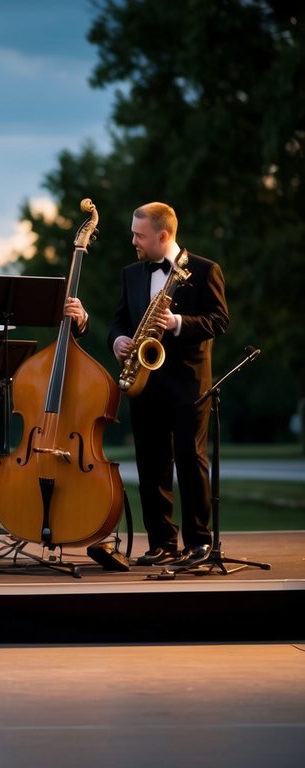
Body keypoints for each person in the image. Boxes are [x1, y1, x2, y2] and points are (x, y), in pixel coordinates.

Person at [108, 202, 228, 566]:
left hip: (189, 383)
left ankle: (198, 542)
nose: (133, 241)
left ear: (163, 236)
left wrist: (176, 323)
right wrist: (118, 341)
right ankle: (162, 543)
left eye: (139, 235)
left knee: (191, 461)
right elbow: (118, 321)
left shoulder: (206, 270)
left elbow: (219, 320)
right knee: (151, 463)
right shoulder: (131, 273)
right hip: (145, 381)